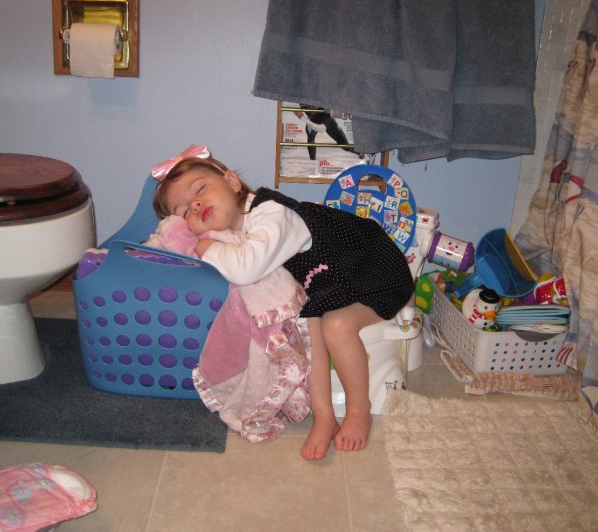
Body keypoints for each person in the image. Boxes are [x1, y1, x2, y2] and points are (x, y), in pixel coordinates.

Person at [151, 145, 414, 460]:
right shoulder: (235, 229)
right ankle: (324, 416)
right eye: (184, 213)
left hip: (372, 271)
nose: (194, 205)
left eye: (200, 190)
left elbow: (247, 268)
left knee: (336, 325)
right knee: (306, 328)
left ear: (232, 182)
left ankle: (359, 410)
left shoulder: (271, 213)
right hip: (328, 284)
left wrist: (206, 247)